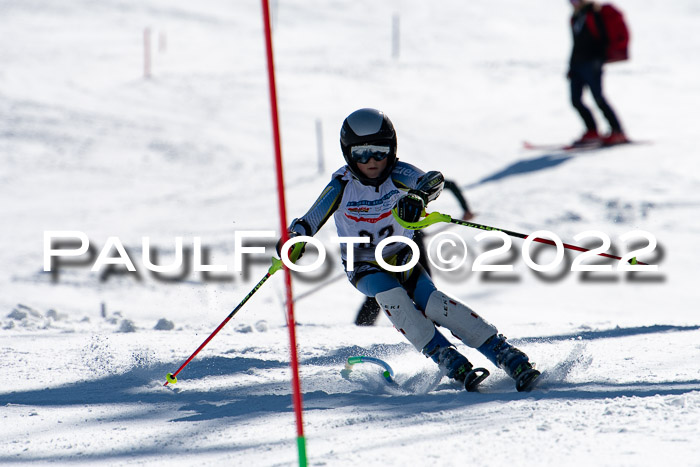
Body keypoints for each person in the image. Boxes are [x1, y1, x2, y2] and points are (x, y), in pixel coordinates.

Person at [277, 108, 540, 392]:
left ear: (392, 149)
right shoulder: (341, 185)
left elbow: (432, 180)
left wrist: (418, 196)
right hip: (364, 265)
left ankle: (503, 353)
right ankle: (446, 356)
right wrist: (295, 238)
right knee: (393, 298)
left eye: (379, 151)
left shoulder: (399, 173)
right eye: (361, 153)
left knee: (434, 303)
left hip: (403, 257)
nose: (372, 161)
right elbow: (311, 218)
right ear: (347, 155)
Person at [354, 180, 473, 326]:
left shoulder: (405, 180)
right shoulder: (385, 184)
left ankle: (428, 321)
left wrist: (466, 209)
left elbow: (449, 184)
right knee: (387, 284)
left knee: (419, 281)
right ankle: (363, 325)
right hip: (395, 240)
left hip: (407, 238)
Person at [568, 0, 627, 146]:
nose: (572, 3)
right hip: (577, 64)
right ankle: (592, 131)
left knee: (598, 97)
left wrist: (600, 58)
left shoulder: (595, 13)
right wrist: (571, 66)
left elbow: (603, 38)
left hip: (592, 62)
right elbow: (576, 44)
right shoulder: (575, 17)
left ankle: (617, 131)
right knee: (575, 100)